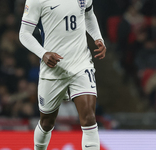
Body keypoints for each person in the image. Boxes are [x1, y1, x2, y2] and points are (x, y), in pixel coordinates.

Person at [19, 0, 106, 149]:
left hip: (81, 64)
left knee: (89, 118)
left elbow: (89, 14)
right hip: (53, 68)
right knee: (47, 122)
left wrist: (98, 37)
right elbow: (24, 33)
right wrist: (43, 53)